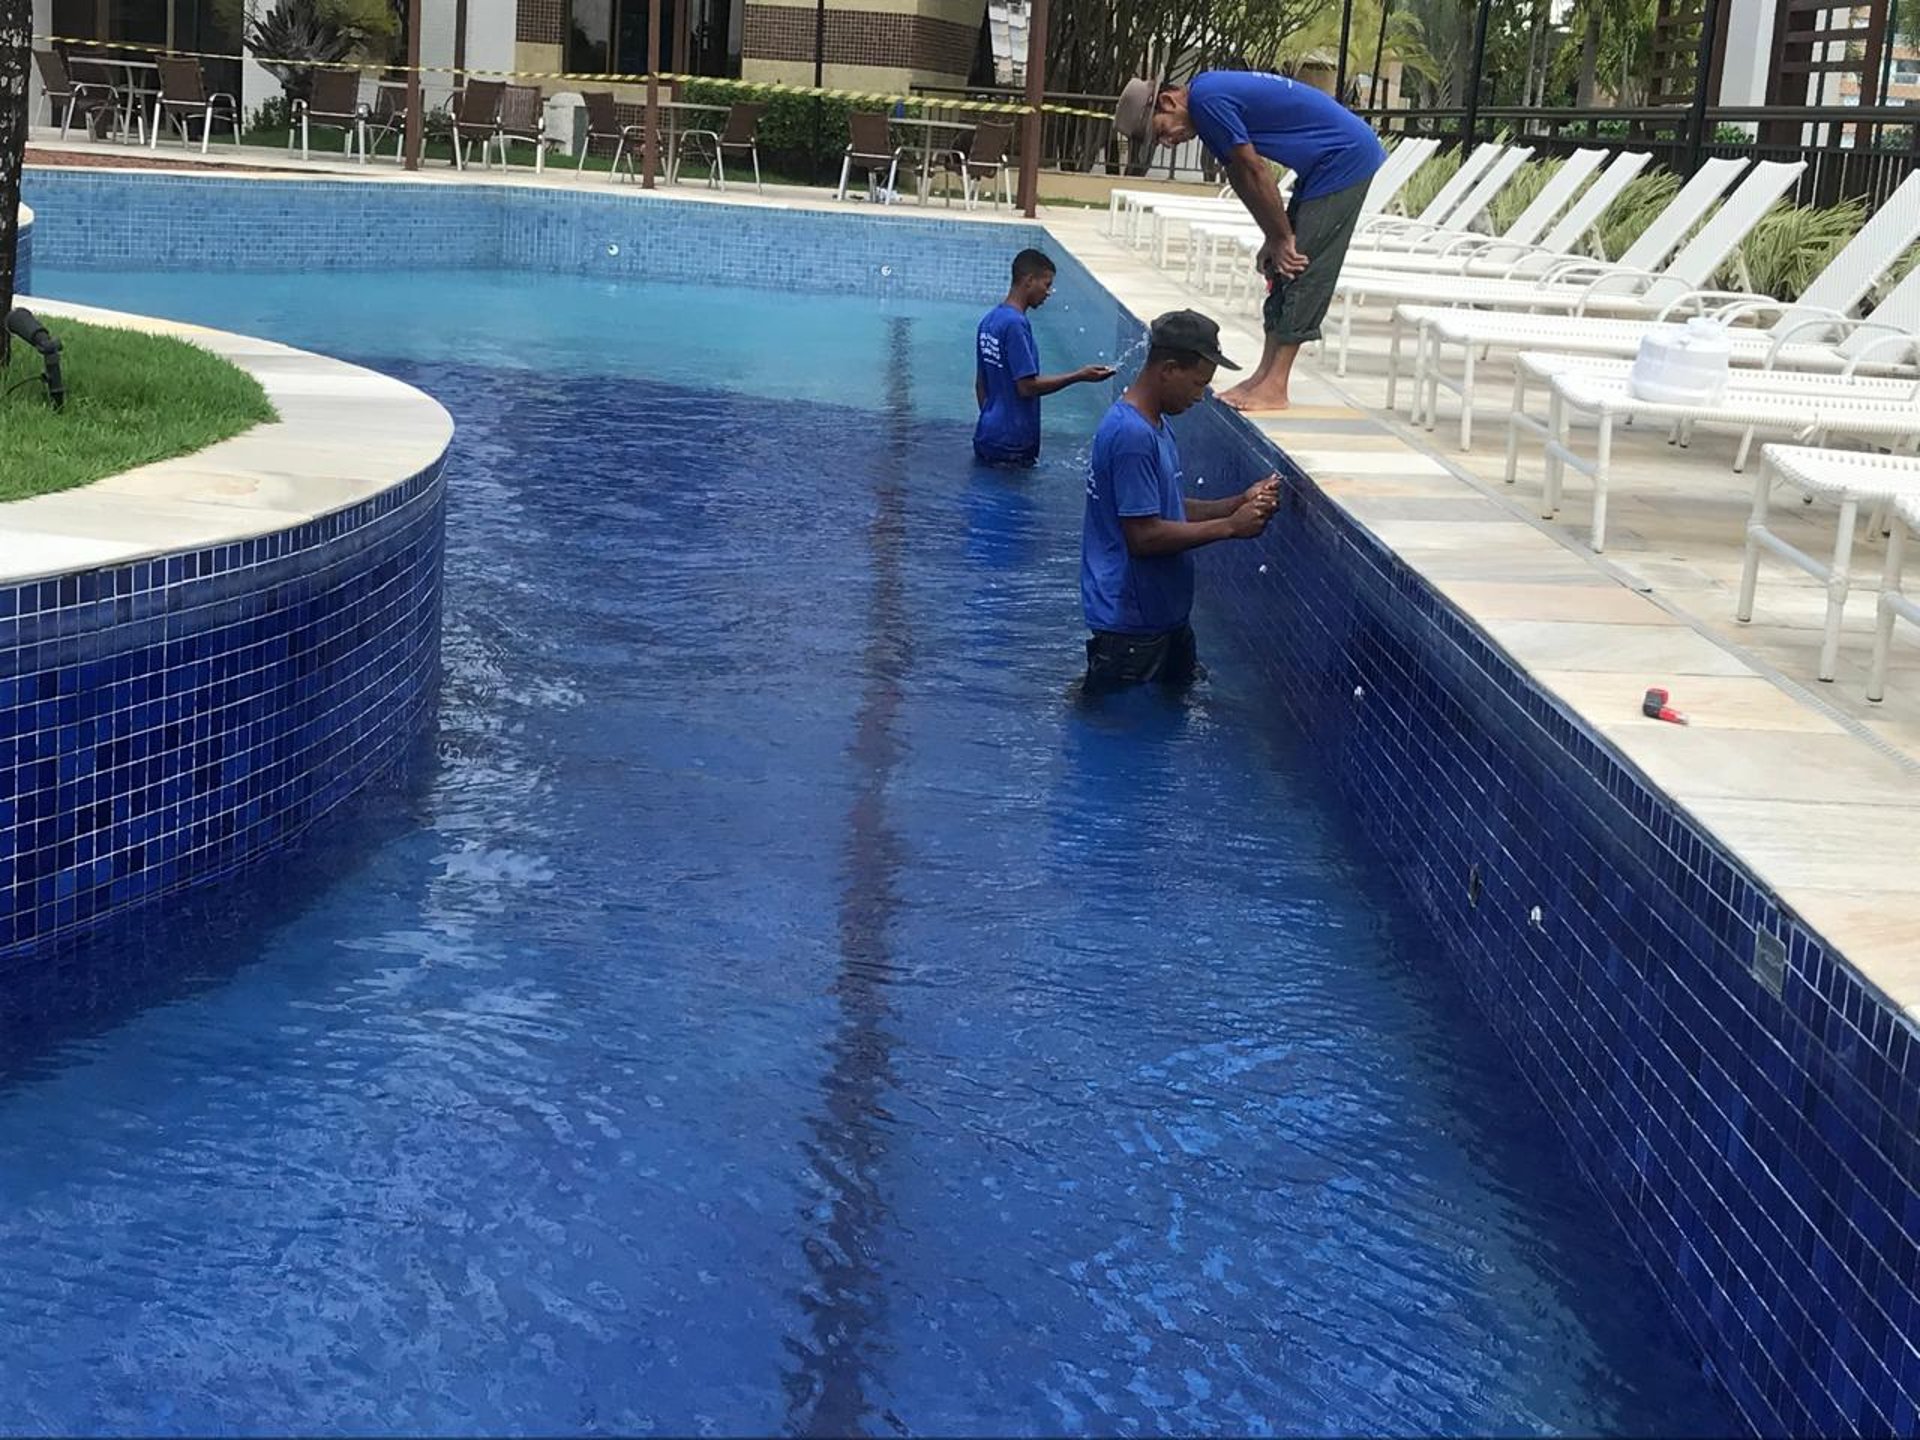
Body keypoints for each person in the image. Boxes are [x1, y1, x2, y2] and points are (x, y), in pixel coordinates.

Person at [1114, 73, 1385, 413]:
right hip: (1321, 164)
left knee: (1302, 264)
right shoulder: (1206, 105)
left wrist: (1284, 237)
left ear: (1168, 102)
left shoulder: (1207, 100)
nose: (1167, 142)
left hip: (1345, 158)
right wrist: (1273, 237)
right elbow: (1241, 177)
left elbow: (1256, 169)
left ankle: (1276, 385)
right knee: (1280, 264)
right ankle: (1264, 375)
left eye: (1160, 131)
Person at [1080, 310, 1279, 694]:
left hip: (1161, 617)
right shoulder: (1132, 435)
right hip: (1131, 627)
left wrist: (1237, 502)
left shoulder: (1155, 424)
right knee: (1123, 734)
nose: (1200, 396)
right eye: (1197, 383)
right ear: (1168, 369)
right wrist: (1230, 527)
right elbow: (1144, 537)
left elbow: (1165, 506)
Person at [974, 248, 1117, 467]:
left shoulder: (989, 320)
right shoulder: (1015, 325)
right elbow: (1026, 386)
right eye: (1047, 284)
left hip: (987, 434)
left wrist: (992, 420)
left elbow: (980, 385)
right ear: (1029, 280)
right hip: (1012, 444)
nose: (1049, 292)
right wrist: (1079, 375)